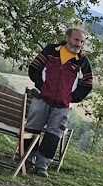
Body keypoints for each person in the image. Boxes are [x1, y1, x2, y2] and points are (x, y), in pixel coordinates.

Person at [23, 27, 94, 176]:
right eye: (76, 40)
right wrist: (41, 86)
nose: (79, 44)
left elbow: (88, 84)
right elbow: (34, 68)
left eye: (82, 41)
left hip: (63, 106)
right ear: (67, 37)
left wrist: (70, 97)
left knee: (53, 135)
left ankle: (42, 166)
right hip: (41, 99)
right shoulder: (51, 50)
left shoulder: (82, 61)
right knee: (31, 129)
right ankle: (27, 159)